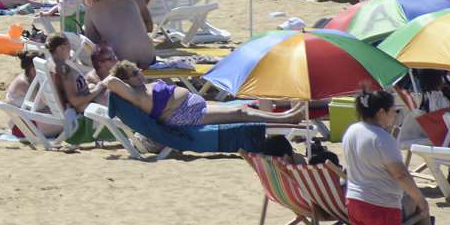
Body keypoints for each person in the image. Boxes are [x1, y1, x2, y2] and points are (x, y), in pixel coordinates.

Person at [342, 88, 429, 225]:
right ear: (381, 112)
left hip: (355, 201)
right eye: (393, 111)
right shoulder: (382, 139)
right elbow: (401, 175)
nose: (395, 115)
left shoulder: (352, 130)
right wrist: (419, 199)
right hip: (380, 206)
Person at [91, 61, 305, 126]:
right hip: (182, 115)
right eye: (135, 73)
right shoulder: (134, 94)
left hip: (191, 107)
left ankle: (286, 117)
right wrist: (103, 83)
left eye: (138, 70)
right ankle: (287, 120)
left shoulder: (140, 88)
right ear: (126, 80)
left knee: (242, 108)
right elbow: (110, 80)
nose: (140, 74)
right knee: (242, 113)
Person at [82, 0, 156, 68]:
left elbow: (92, 41)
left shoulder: (91, 11)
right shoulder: (130, 2)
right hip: (149, 57)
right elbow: (145, 27)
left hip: (122, 60)